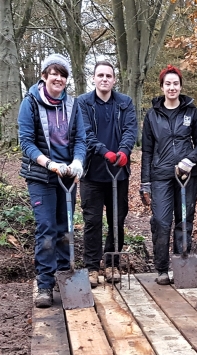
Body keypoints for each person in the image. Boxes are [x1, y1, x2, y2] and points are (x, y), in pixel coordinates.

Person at [18, 53, 86, 308]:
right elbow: (25, 142)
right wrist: (48, 163)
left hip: (67, 176)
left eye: (62, 74)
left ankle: (64, 274)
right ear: (44, 76)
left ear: (66, 80)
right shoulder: (31, 103)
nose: (58, 78)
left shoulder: (73, 104)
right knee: (46, 228)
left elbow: (81, 138)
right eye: (53, 73)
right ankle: (44, 284)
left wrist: (77, 161)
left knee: (65, 228)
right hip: (41, 176)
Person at [140, 65, 197, 285]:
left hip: (187, 175)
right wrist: (145, 181)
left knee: (184, 220)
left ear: (180, 86)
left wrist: (190, 160)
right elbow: (147, 150)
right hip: (161, 175)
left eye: (175, 83)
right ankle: (161, 268)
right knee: (161, 221)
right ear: (162, 87)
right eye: (168, 83)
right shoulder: (152, 115)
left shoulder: (191, 112)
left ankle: (181, 264)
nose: (172, 87)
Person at [78, 61, 137, 287]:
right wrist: (105, 152)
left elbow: (130, 130)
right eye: (100, 75)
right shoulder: (83, 103)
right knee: (92, 221)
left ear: (114, 79)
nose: (104, 79)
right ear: (93, 78)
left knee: (117, 220)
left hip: (118, 174)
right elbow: (85, 133)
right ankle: (92, 266)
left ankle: (112, 262)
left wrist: (123, 151)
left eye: (109, 75)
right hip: (92, 173)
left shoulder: (125, 103)